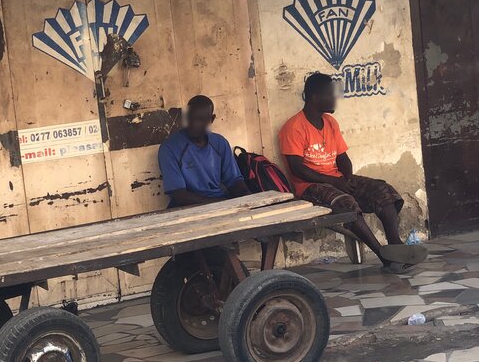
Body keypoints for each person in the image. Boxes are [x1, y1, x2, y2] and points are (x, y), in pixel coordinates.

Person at [279, 73, 427, 267]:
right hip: (310, 186)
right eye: (330, 94)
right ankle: (384, 256)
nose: (335, 98)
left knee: (382, 190)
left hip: (337, 179)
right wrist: (336, 183)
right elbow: (297, 169)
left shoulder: (331, 123)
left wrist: (347, 180)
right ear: (315, 97)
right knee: (347, 203)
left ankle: (395, 246)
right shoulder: (294, 127)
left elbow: (343, 158)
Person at [159, 94, 250, 207]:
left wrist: (248, 199)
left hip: (220, 201)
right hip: (187, 208)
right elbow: (180, 196)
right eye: (191, 118)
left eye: (200, 119)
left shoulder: (219, 143)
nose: (194, 124)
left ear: (211, 119)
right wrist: (219, 204)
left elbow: (234, 181)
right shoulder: (169, 148)